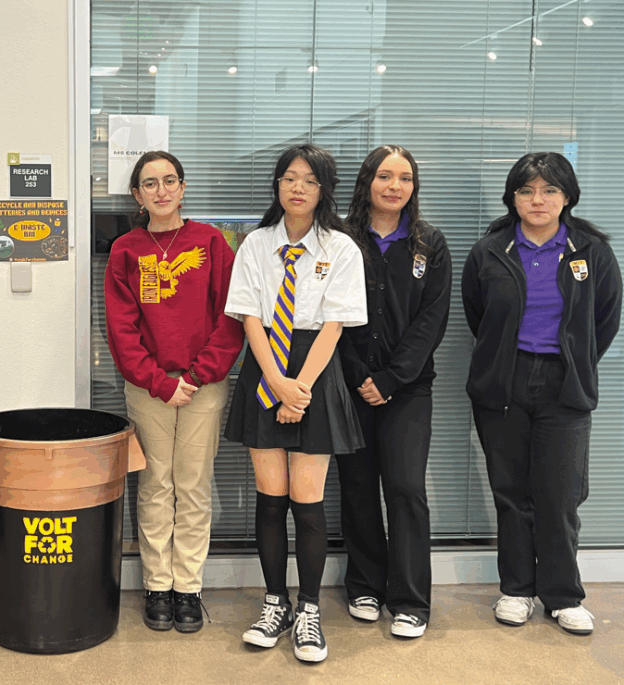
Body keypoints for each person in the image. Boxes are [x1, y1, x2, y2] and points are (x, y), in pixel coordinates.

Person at [462, 152, 621, 636]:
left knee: (559, 496)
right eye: (527, 190)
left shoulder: (590, 251)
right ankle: (516, 590)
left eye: (549, 190)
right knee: (512, 494)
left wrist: (572, 361)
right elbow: (478, 315)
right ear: (512, 197)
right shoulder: (490, 250)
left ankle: (563, 595)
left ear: (567, 196)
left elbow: (605, 320)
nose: (538, 200)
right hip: (503, 383)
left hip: (564, 385)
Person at [224, 144, 366, 663]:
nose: (298, 187)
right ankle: (274, 603)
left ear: (324, 189)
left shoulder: (342, 249)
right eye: (289, 177)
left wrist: (299, 389)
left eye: (309, 179)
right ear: (278, 186)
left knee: (307, 501)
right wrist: (276, 383)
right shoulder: (256, 245)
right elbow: (250, 320)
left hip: (315, 372)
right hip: (265, 368)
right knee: (270, 497)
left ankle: (309, 611)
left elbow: (334, 326)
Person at [104, 151, 244, 633]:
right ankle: (157, 586)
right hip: (148, 388)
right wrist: (161, 382)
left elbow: (231, 317)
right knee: (155, 484)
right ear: (138, 195)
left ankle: (189, 588)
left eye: (169, 181)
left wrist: (198, 375)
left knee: (194, 485)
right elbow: (121, 329)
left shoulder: (210, 243)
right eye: (150, 183)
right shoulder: (126, 249)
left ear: (183, 188)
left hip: (204, 386)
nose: (161, 191)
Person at [336, 145, 452, 639]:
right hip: (348, 383)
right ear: (368, 182)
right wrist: (360, 373)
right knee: (358, 487)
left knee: (405, 488)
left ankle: (409, 599)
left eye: (405, 178)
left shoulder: (430, 243)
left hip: (406, 390)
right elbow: (327, 314)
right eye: (385, 176)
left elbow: (432, 321)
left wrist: (390, 378)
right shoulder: (340, 238)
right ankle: (364, 584)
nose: (395, 186)